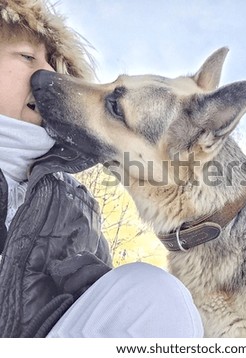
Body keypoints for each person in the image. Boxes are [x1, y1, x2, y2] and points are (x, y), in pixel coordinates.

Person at [0, 0, 203, 338]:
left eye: (53, 63)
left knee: (154, 296)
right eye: (27, 56)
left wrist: (88, 291)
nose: (48, 74)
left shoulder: (73, 200)